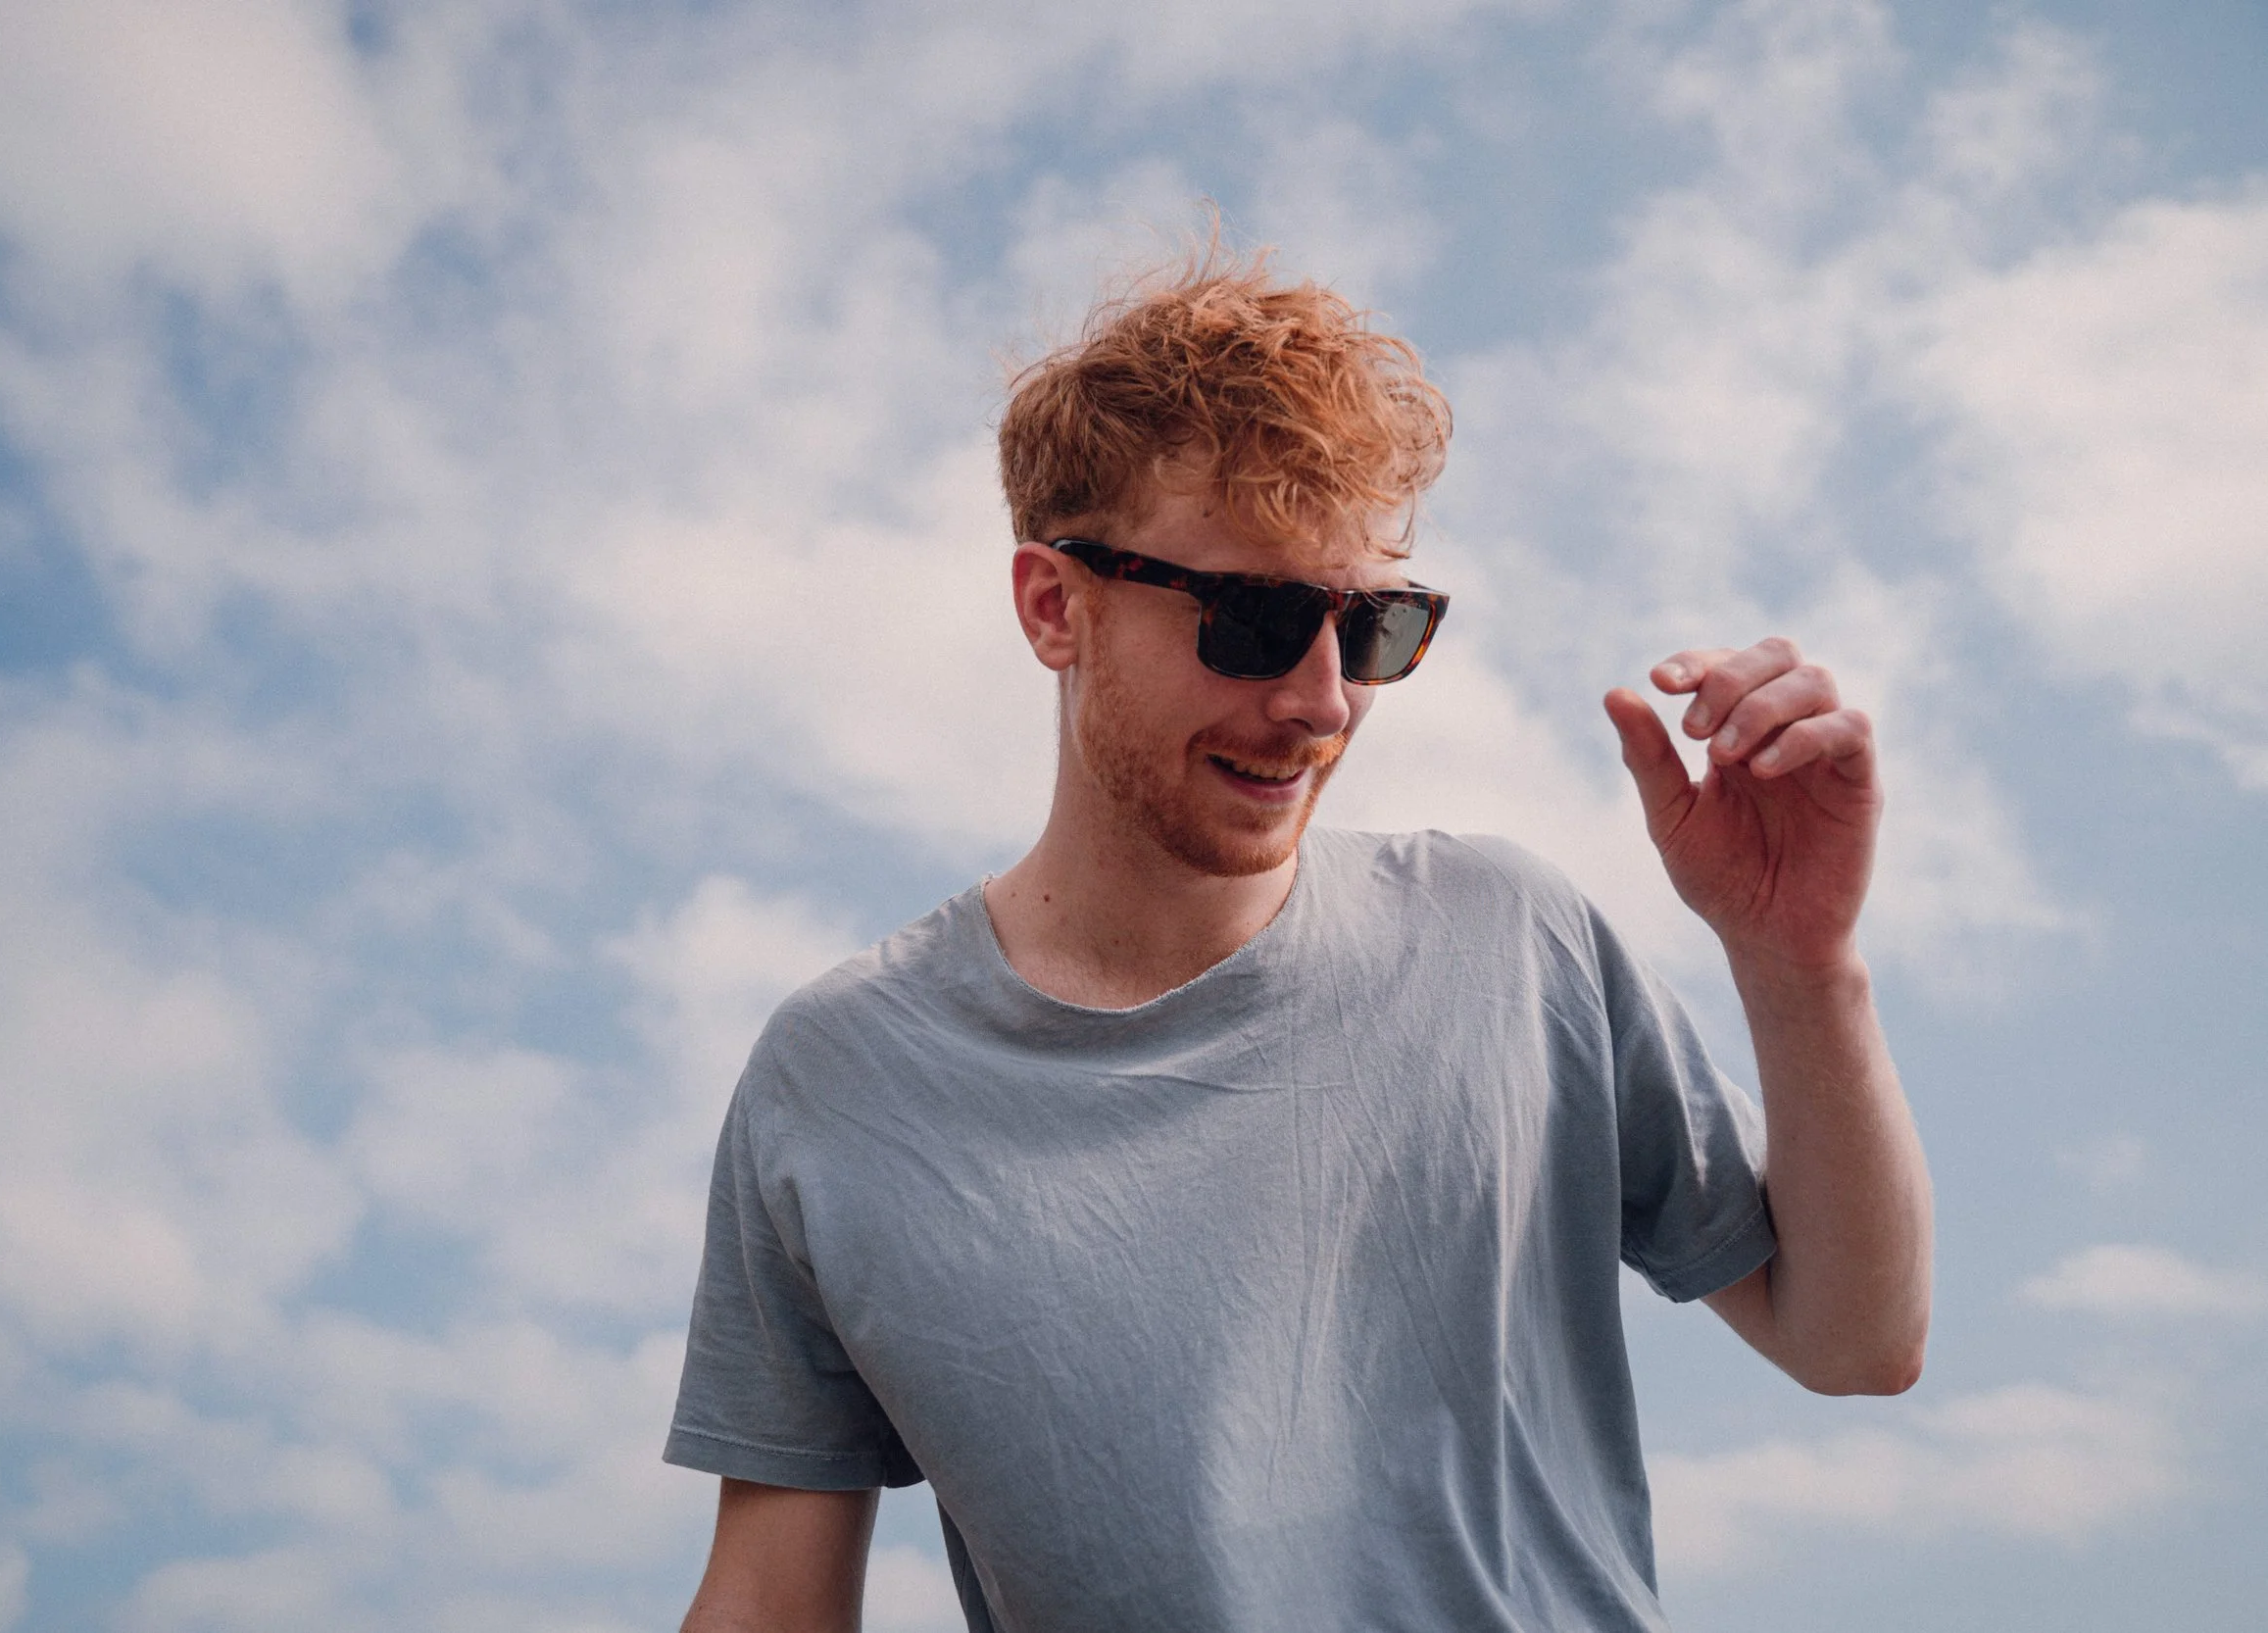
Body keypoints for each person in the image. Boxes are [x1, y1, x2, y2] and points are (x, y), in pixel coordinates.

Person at [664, 248, 1933, 1633]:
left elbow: (1856, 1340)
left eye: (1375, 626)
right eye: (1255, 619)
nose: (1322, 701)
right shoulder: (834, 1083)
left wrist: (1803, 965)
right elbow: (772, 1605)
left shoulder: (1515, 940)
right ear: (1052, 606)